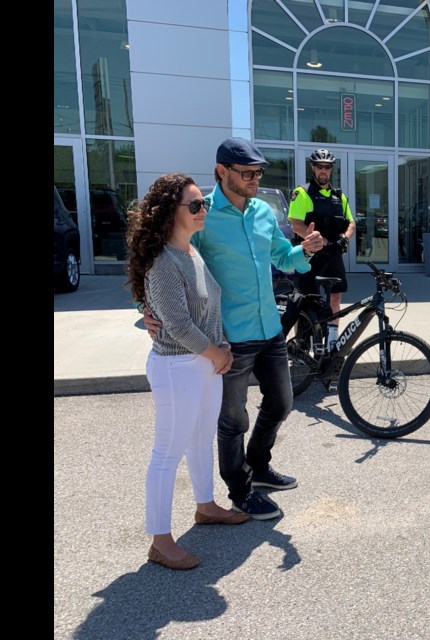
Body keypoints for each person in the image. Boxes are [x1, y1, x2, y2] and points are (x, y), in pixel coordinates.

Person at [144, 138, 327, 520]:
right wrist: (145, 306)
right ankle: (239, 489)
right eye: (246, 173)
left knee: (281, 402)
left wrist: (306, 249)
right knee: (232, 419)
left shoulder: (262, 212)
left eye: (258, 173)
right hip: (229, 337)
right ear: (222, 172)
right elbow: (158, 257)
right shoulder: (202, 214)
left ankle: (258, 467)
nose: (254, 180)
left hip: (270, 327)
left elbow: (283, 257)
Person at [126, 173, 250, 571]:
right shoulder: (164, 261)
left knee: (200, 442)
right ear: (170, 213)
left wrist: (221, 349)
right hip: (177, 366)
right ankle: (160, 541)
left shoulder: (193, 253)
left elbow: (207, 310)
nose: (203, 211)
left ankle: (206, 505)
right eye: (195, 205)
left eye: (204, 204)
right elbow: (177, 325)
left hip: (205, 363)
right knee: (167, 454)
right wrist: (215, 352)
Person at [288, 148, 356, 348]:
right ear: (313, 167)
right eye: (319, 166)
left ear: (331, 169)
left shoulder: (339, 196)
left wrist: (344, 238)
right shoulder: (302, 193)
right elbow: (296, 224)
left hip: (333, 255)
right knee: (306, 301)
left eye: (327, 167)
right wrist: (320, 241)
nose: (323, 170)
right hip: (310, 255)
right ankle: (301, 347)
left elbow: (351, 223)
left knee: (335, 297)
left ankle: (331, 343)